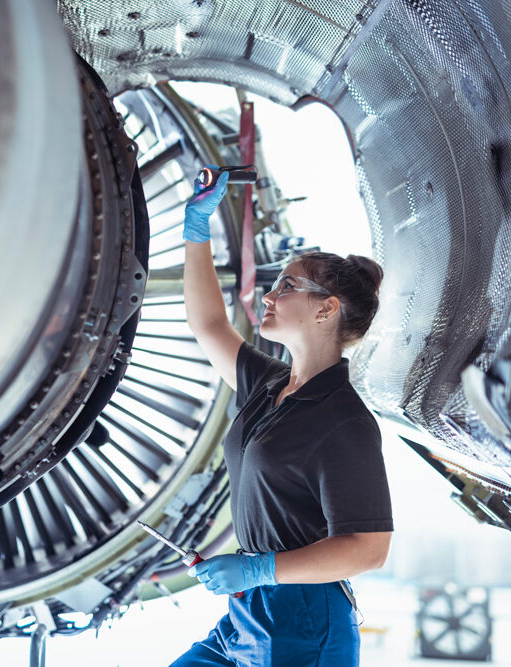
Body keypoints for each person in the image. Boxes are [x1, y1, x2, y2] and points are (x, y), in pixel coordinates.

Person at [171, 168, 394, 666]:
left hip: (303, 621)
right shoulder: (267, 384)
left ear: (326, 309)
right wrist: (196, 230)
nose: (269, 296)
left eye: (287, 285)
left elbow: (369, 549)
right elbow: (207, 323)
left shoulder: (345, 421)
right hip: (250, 612)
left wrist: (258, 571)